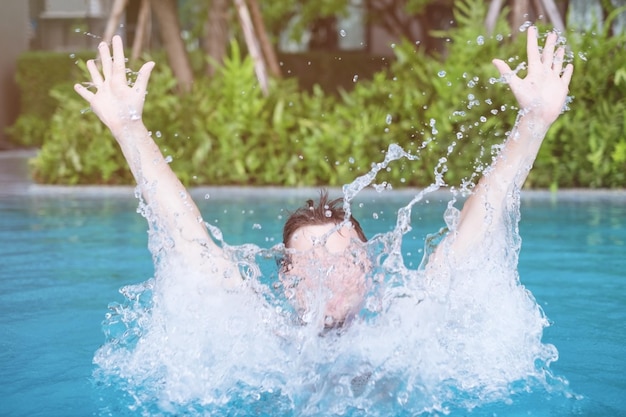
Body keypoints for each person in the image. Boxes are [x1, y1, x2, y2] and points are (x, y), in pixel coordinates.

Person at [74, 27, 573, 330]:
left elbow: (476, 230)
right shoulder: (253, 333)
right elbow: (187, 237)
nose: (328, 274)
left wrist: (533, 122)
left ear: (370, 270)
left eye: (343, 259)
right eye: (310, 262)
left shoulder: (409, 322)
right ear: (285, 279)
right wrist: (128, 128)